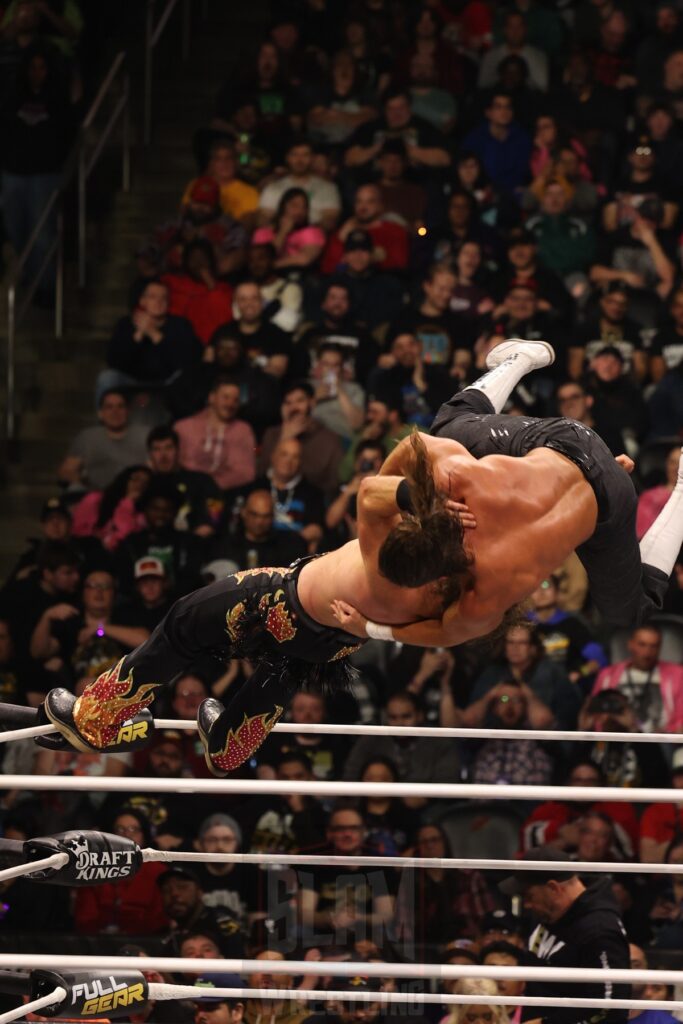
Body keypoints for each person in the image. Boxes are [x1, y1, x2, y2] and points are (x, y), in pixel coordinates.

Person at [333, 339, 683, 643]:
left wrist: (370, 628)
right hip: (565, 438)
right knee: (447, 427)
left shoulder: (486, 592)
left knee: (631, 612)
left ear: (439, 577)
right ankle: (521, 360)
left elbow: (443, 633)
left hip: (609, 492)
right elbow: (402, 455)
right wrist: (420, 496)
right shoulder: (457, 481)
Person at [499, 847, 630, 1024]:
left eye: (529, 896)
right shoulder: (549, 911)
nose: (527, 904)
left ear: (553, 888)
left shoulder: (599, 930)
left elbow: (611, 1008)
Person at [589, 624, 683, 734]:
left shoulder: (677, 674)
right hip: (615, 737)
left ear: (660, 648)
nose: (647, 652)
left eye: (653, 646)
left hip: (661, 740)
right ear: (631, 644)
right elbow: (594, 715)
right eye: (642, 645)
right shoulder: (607, 675)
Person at [258, 381, 343, 498]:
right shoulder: (272, 434)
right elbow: (261, 473)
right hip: (268, 498)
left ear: (312, 403)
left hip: (311, 502)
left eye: (300, 401)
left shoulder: (329, 439)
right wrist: (284, 438)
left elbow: (333, 485)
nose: (294, 408)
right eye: (288, 403)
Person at [58, 389, 150, 493]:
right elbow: (67, 470)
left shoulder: (144, 435)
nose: (115, 411)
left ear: (128, 411)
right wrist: (83, 486)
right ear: (101, 413)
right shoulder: (87, 437)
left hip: (135, 495)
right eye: (109, 407)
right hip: (96, 496)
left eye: (120, 406)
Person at [174, 377, 257, 492]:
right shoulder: (183, 427)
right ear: (212, 398)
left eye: (235, 400)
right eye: (225, 397)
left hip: (225, 494)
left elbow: (246, 473)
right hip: (184, 490)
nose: (230, 404)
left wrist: (211, 486)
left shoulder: (243, 430)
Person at [258, 138, 341, 231]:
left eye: (305, 155)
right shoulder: (273, 188)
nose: (299, 160)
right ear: (287, 158)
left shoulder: (328, 188)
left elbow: (330, 219)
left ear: (313, 158)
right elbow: (263, 219)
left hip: (314, 238)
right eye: (294, 155)